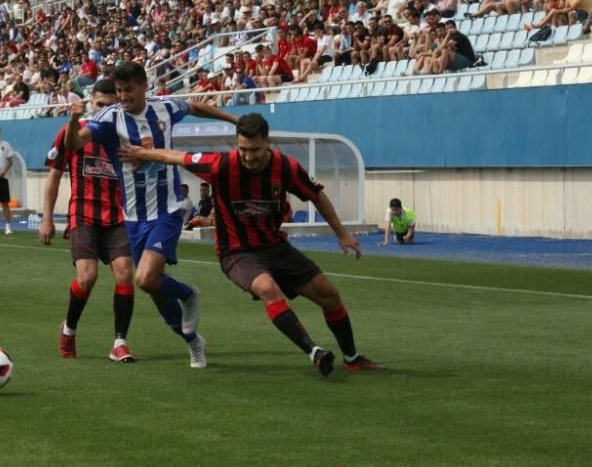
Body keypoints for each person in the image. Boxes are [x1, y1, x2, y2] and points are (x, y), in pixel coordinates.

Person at [118, 113, 384, 376]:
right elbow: (175, 157)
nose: (248, 156)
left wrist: (342, 234)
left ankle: (352, 357)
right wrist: (142, 154)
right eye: (242, 149)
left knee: (329, 295)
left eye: (254, 149)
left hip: (275, 247)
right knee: (268, 288)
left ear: (268, 142)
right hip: (236, 251)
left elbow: (316, 196)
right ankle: (313, 351)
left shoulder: (286, 167)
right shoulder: (221, 165)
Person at [64, 61, 240, 369]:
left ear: (144, 86)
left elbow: (195, 107)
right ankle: (194, 343)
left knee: (144, 279)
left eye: (128, 90)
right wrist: (73, 119)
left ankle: (189, 293)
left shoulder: (165, 107)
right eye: (119, 91)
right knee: (157, 291)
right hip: (133, 217)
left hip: (168, 209)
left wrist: (233, 120)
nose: (123, 96)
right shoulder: (109, 118)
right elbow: (75, 143)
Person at [41, 78, 136, 362]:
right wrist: (47, 218)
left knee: (125, 273)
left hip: (118, 217)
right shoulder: (73, 134)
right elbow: (54, 176)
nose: (104, 110)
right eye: (100, 105)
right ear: (91, 105)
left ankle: (120, 342)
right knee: (87, 277)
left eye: (111, 106)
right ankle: (69, 330)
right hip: (83, 215)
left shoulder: (124, 137)